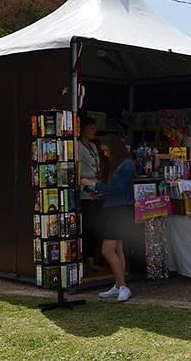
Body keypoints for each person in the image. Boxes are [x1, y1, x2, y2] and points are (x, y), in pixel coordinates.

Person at [81, 135, 135, 302]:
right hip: (116, 208)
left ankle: (123, 286)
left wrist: (93, 185)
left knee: (107, 250)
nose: (105, 154)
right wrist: (98, 193)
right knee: (118, 249)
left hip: (118, 210)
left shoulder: (126, 165)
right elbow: (114, 190)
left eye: (106, 150)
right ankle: (119, 285)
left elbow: (117, 190)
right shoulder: (119, 164)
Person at [78, 117, 102, 273]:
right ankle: (85, 260)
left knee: (96, 228)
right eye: (91, 127)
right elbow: (77, 173)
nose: (94, 130)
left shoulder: (93, 146)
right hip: (85, 192)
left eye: (95, 127)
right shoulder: (78, 147)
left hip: (97, 189)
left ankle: (91, 260)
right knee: (86, 227)